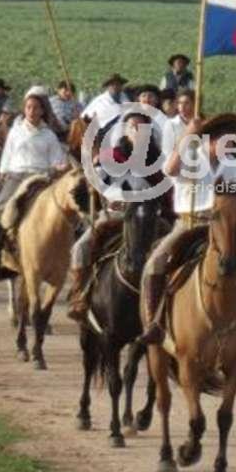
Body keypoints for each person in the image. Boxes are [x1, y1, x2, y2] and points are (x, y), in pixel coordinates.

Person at [136, 113, 236, 350]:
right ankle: (154, 324)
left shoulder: (234, 167)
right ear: (210, 140)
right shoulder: (190, 157)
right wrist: (187, 136)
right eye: (226, 140)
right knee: (155, 264)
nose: (230, 145)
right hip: (190, 224)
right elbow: (170, 170)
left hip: (227, 228)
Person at [66, 108, 165, 322]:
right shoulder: (110, 156)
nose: (137, 132)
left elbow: (166, 192)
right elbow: (96, 185)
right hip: (114, 216)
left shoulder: (156, 160)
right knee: (80, 248)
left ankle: (168, 301)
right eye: (133, 127)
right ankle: (79, 295)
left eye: (142, 128)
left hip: (148, 217)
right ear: (125, 131)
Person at [0, 87, 68, 275]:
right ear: (24, 109)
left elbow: (57, 160)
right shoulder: (16, 131)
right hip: (16, 175)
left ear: (42, 111)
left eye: (36, 108)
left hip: (40, 176)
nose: (32, 111)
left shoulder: (49, 135)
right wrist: (2, 174)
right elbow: (7, 154)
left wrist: (60, 167)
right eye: (28, 107)